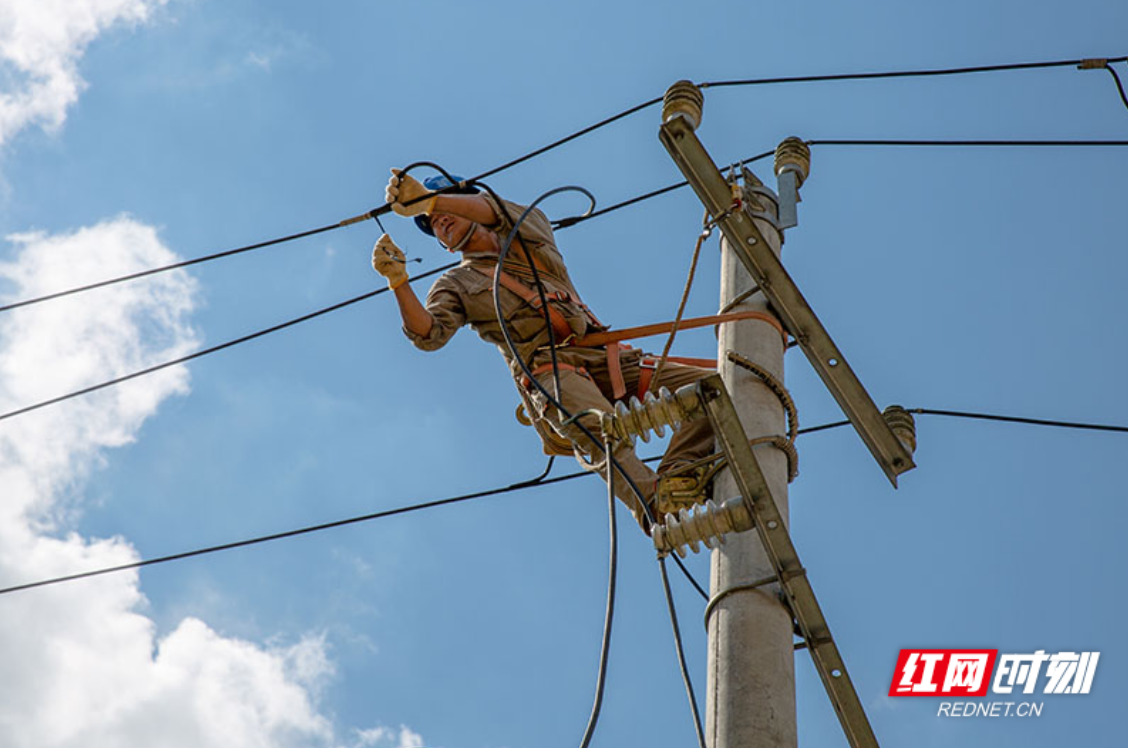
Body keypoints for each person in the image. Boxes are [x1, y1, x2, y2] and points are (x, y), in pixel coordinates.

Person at [371, 169, 715, 533]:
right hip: (550, 372)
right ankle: (654, 500)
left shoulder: (529, 228)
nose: (438, 222)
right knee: (596, 427)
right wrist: (398, 282)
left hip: (603, 356)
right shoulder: (454, 284)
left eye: (444, 212)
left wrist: (430, 199)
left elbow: (496, 212)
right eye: (431, 223)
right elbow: (430, 334)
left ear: (469, 202)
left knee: (714, 389)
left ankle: (681, 476)